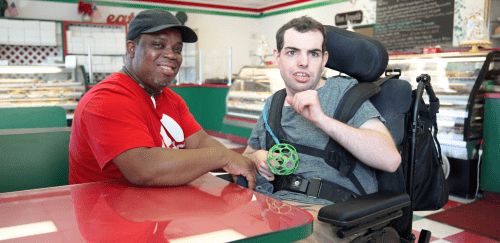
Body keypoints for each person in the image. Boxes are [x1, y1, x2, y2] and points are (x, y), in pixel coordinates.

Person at [242, 16, 402, 242]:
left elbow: (390, 159)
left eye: (313, 54)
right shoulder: (273, 104)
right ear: (277, 57)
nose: (303, 62)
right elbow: (245, 158)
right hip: (276, 207)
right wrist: (257, 156)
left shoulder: (345, 94)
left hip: (335, 215)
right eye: (292, 52)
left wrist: (322, 119)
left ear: (324, 59)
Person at [69, 9, 256, 190]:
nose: (171, 55)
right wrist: (222, 157)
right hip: (106, 214)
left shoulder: (171, 99)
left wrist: (235, 161)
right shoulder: (106, 99)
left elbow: (199, 142)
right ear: (132, 49)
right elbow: (143, 169)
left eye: (177, 49)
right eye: (158, 45)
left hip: (160, 210)